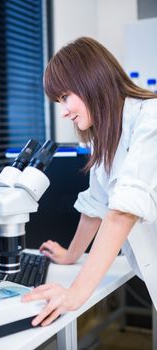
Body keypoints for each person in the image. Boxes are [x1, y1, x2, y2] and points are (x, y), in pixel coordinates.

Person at [22, 36, 157, 327]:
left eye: (66, 96)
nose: (64, 110)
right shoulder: (106, 136)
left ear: (92, 80)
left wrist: (75, 294)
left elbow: (122, 210)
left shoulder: (151, 118)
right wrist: (71, 255)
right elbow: (96, 204)